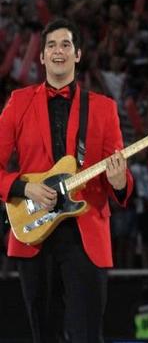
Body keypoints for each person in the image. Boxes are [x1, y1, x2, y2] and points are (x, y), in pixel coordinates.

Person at [0, 18, 133, 342]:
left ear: (78, 55)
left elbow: (121, 180)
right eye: (51, 45)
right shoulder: (19, 102)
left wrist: (118, 181)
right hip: (34, 229)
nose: (58, 51)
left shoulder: (103, 108)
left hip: (86, 232)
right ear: (42, 57)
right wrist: (24, 187)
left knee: (88, 333)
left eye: (65, 45)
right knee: (43, 333)